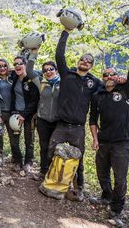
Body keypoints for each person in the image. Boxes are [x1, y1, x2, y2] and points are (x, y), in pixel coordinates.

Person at [89, 34, 129, 226]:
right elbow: (92, 119)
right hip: (103, 141)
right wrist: (95, 139)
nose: (109, 77)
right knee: (101, 173)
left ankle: (116, 209)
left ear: (117, 76)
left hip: (122, 143)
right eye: (105, 75)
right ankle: (105, 196)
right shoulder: (98, 95)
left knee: (120, 178)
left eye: (113, 74)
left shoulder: (127, 89)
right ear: (103, 78)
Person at [49, 27, 102, 201]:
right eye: (83, 59)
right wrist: (65, 32)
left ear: (91, 65)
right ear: (78, 61)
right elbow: (59, 55)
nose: (85, 62)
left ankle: (78, 189)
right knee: (51, 151)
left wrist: (119, 81)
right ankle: (50, 180)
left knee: (78, 159)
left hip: (78, 129)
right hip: (61, 125)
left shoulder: (94, 82)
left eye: (89, 61)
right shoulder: (67, 74)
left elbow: (110, 87)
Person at [25, 48, 60, 178]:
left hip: (58, 121)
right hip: (42, 120)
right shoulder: (41, 82)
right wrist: (33, 53)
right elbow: (29, 70)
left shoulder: (63, 83)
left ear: (56, 70)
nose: (48, 72)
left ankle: (53, 174)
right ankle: (43, 172)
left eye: (51, 69)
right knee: (44, 147)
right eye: (45, 70)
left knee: (55, 148)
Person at [9, 55, 40, 173]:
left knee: (29, 140)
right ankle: (18, 161)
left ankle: (28, 162)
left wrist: (24, 114)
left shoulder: (31, 80)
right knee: (14, 140)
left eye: (20, 63)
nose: (17, 66)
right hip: (15, 113)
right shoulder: (15, 77)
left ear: (25, 65)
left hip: (29, 115)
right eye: (15, 64)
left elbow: (34, 100)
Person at [0, 58, 15, 167]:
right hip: (0, 113)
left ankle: (15, 158)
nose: (2, 68)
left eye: (4, 65)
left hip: (13, 113)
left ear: (8, 66)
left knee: (14, 137)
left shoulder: (13, 77)